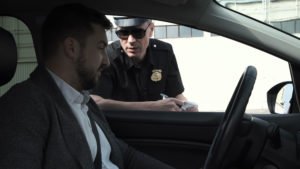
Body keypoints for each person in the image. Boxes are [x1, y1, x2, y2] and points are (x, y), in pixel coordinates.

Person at [0, 3, 176, 169]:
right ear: (72, 48)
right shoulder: (23, 106)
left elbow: (123, 154)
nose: (107, 61)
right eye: (100, 48)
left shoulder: (84, 102)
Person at [91, 17, 198, 112]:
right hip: (119, 125)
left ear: (151, 30)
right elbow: (96, 102)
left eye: (138, 33)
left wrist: (187, 107)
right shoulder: (108, 57)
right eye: (123, 33)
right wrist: (152, 107)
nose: (131, 40)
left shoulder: (164, 53)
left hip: (155, 124)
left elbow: (176, 94)